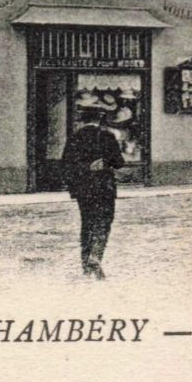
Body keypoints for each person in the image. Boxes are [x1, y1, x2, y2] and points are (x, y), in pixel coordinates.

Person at [61, 100, 124, 280]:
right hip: (104, 187)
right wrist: (105, 162)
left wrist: (76, 183)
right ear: (100, 119)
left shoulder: (74, 137)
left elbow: (66, 165)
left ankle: (85, 265)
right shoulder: (107, 136)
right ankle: (96, 256)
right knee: (104, 221)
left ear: (83, 119)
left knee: (87, 223)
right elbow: (119, 162)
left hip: (83, 189)